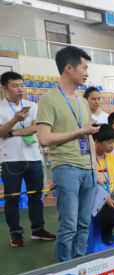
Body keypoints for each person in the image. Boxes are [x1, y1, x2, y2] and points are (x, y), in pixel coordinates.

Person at [37, 46, 101, 263]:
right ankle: (64, 268)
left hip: (88, 169)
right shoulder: (49, 99)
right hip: (66, 168)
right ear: (69, 68)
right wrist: (80, 131)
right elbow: (44, 139)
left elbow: (89, 137)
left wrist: (95, 168)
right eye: (84, 68)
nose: (87, 73)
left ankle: (79, 265)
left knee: (84, 224)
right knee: (69, 225)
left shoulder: (83, 101)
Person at [0, 72, 55, 247]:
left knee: (36, 196)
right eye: (15, 86)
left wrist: (11, 132)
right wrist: (15, 120)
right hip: (10, 160)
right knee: (12, 198)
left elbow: (36, 128)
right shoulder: (0, 107)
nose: (21, 89)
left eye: (22, 85)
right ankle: (15, 233)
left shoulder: (33, 105)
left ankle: (38, 229)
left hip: (33, 158)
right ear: (5, 88)